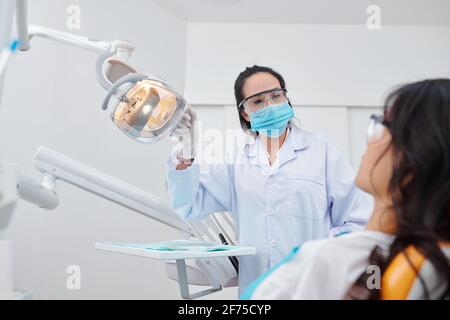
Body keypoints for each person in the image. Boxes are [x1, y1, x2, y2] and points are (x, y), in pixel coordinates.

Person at [166, 65, 372, 295]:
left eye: (276, 96)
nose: (270, 105)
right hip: (259, 290)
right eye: (258, 101)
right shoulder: (236, 159)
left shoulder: (321, 152)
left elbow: (359, 221)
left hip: (314, 288)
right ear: (245, 112)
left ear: (286, 97)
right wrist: (186, 151)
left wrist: (319, 248)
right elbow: (191, 205)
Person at [243, 79, 450, 300]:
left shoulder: (332, 260)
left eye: (384, 125)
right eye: (258, 101)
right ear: (244, 113)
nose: (373, 138)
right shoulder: (426, 254)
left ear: (415, 162)